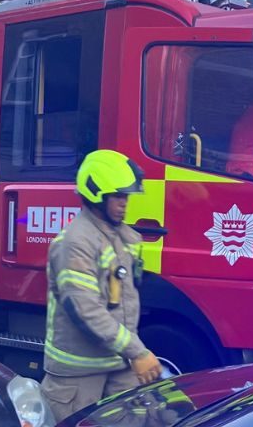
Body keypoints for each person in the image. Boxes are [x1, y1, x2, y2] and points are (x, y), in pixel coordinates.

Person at [41, 149, 164, 420]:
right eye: (118, 196)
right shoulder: (75, 242)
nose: (125, 203)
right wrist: (137, 351)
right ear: (96, 194)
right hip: (79, 376)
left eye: (127, 196)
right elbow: (86, 309)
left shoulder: (117, 237)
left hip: (117, 364)